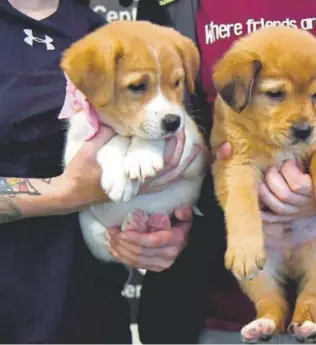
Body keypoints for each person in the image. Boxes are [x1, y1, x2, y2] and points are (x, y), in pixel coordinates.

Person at [135, 0, 316, 343]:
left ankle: (307, 310)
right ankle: (269, 310)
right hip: (211, 307)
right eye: (275, 94)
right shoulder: (174, 7)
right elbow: (154, 123)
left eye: (315, 95)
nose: (301, 118)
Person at [0, 0, 196, 342]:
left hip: (90, 313)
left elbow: (165, 135)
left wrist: (166, 232)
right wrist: (63, 194)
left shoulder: (102, 32)